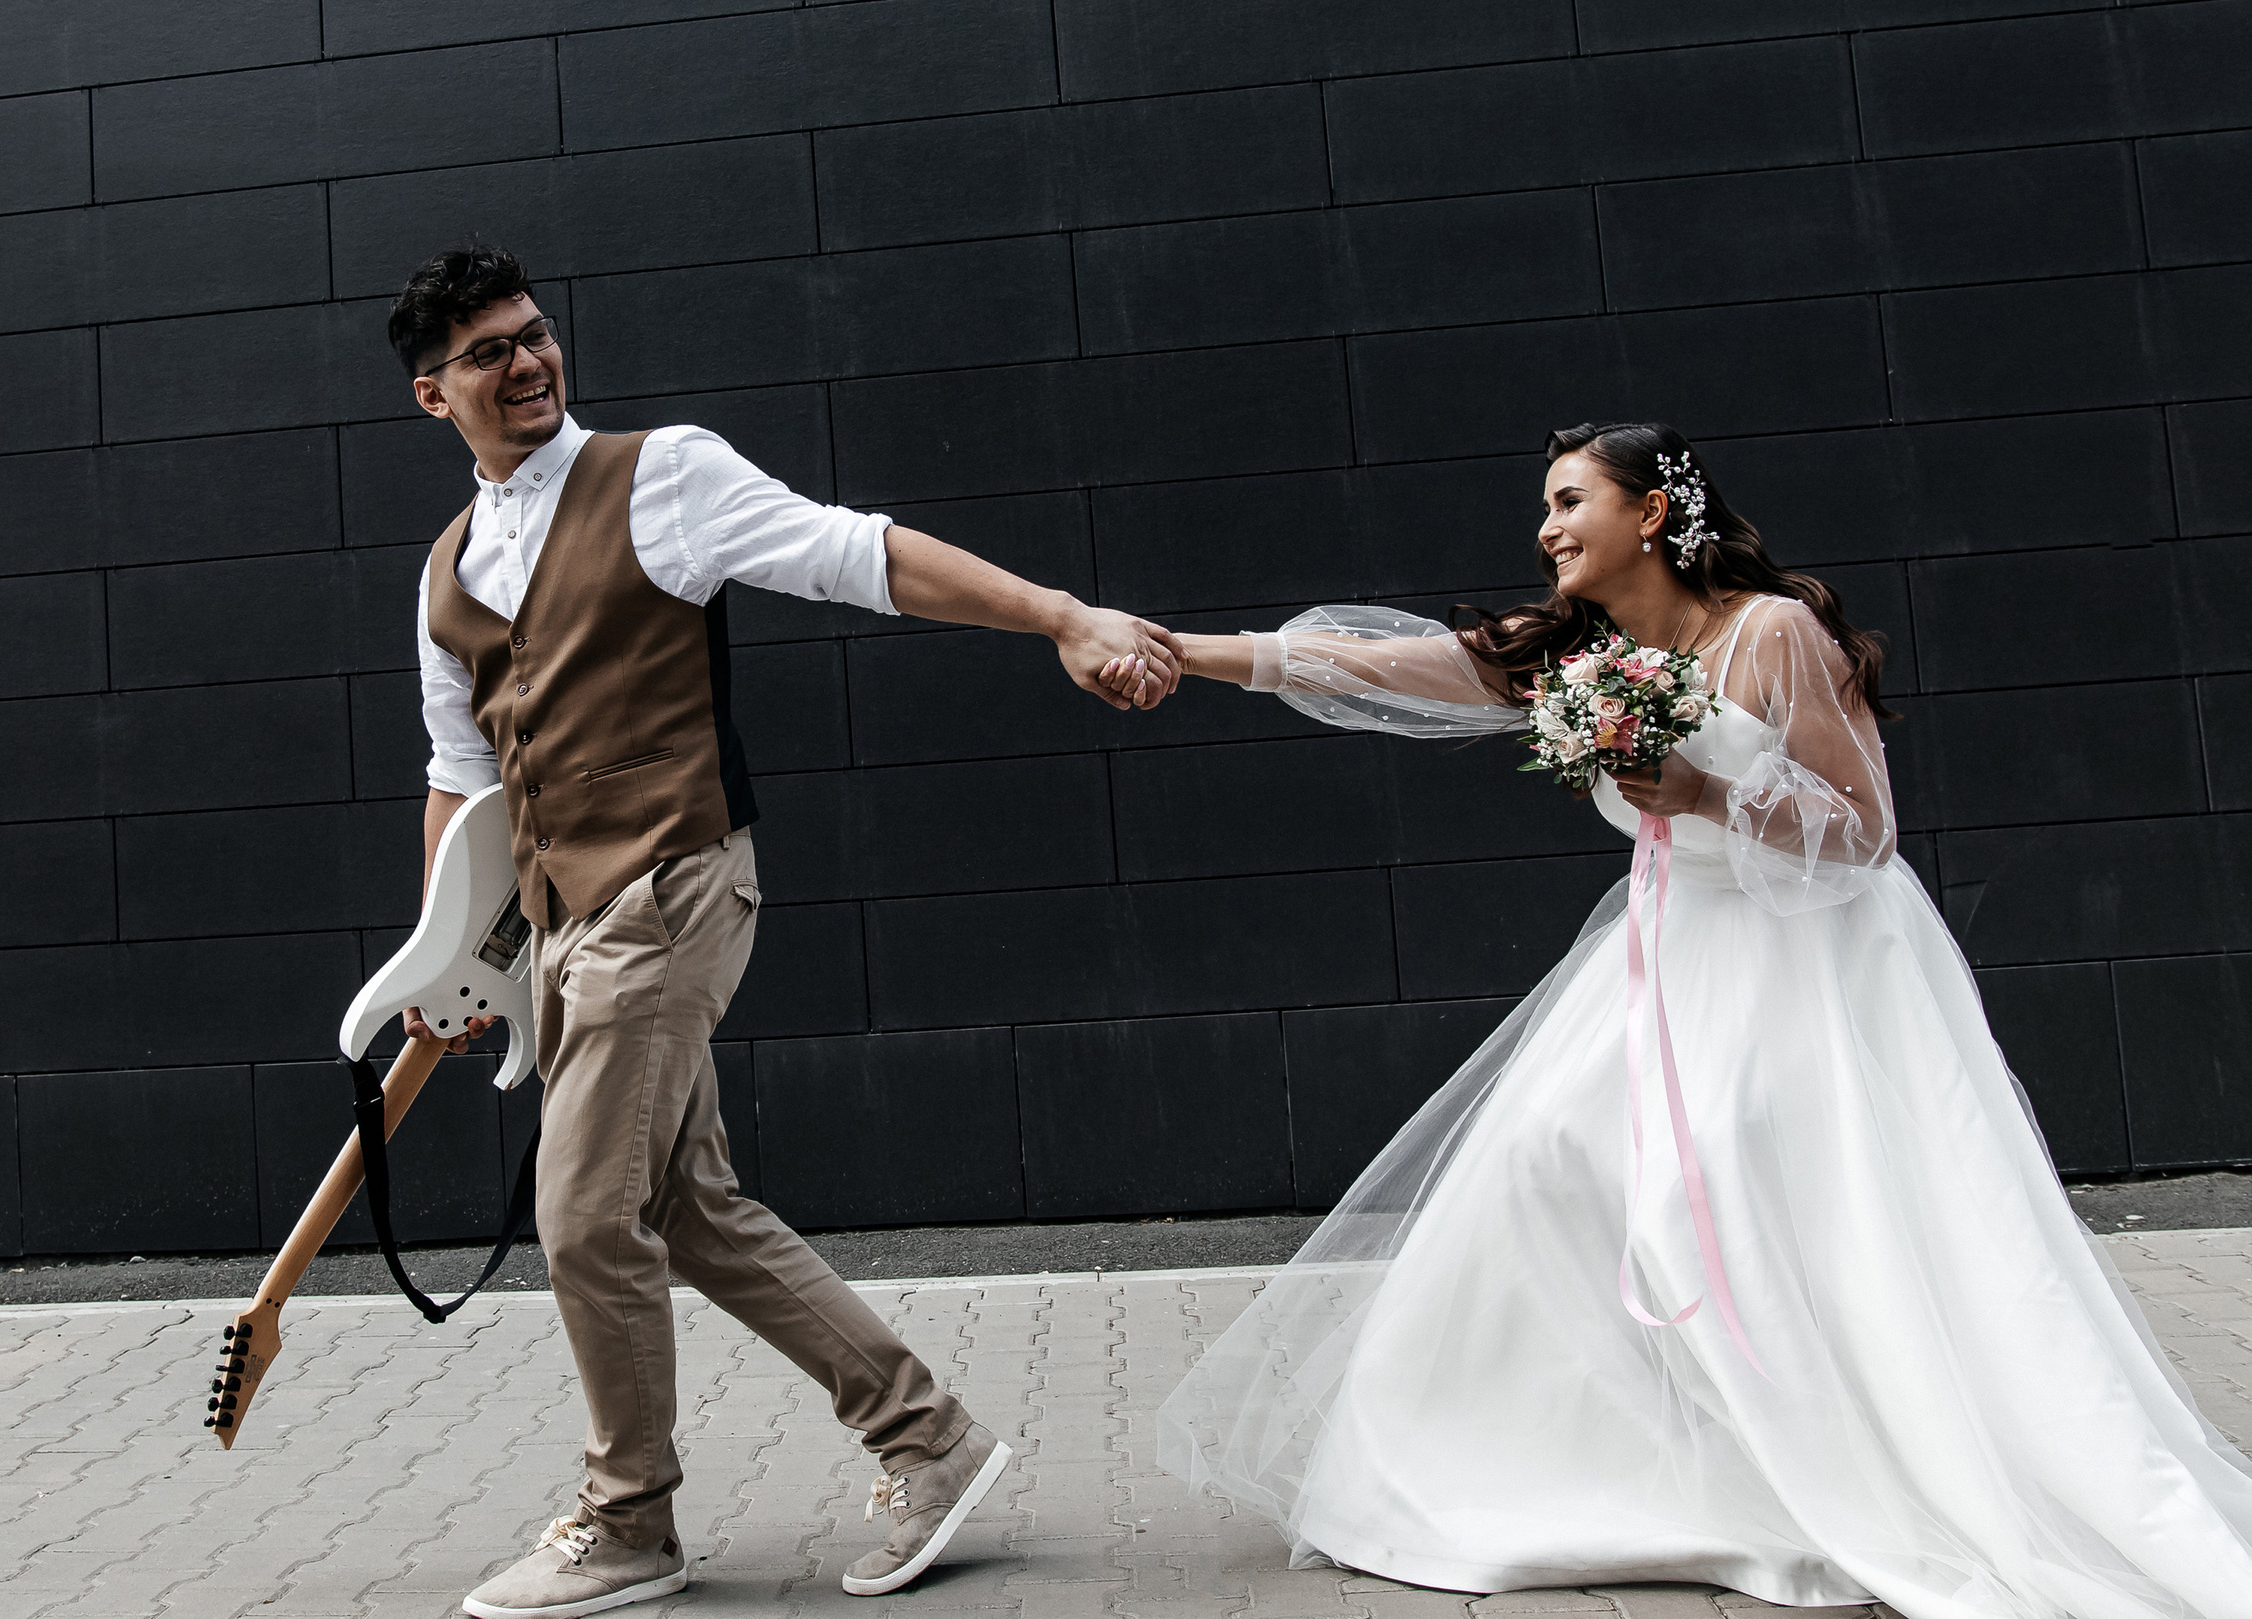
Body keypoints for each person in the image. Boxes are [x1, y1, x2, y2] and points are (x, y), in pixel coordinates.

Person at [1142, 422, 2252, 1617]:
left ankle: (1823, 1456)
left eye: (1571, 501)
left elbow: (1864, 830)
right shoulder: (1581, 653)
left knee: (1756, 1202)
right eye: (1546, 506)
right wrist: (1172, 650)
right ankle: (1581, 1461)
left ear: (1652, 516)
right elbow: (1368, 666)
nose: (1546, 527)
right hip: (1668, 959)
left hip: (1810, 962)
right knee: (1538, 1157)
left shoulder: (1772, 632)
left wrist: (1709, 791)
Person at [389, 247, 1177, 1619]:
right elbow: (459, 775)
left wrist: (1056, 614)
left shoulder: (662, 473)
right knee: (688, 1207)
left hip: (671, 885)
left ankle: (629, 1515)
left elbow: (857, 553)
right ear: (430, 392)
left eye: (533, 334)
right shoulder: (447, 571)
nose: (526, 363)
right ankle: (928, 1435)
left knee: (582, 1213)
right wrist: (438, 957)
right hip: (561, 919)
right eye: (487, 353)